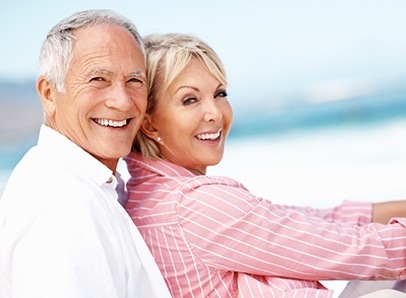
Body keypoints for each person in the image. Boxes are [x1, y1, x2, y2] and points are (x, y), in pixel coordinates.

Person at [124, 33, 406, 298]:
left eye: (220, 94)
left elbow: (302, 223)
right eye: (190, 99)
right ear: (148, 122)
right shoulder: (192, 204)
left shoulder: (152, 198)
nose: (215, 113)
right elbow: (349, 249)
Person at [0, 10, 171, 298]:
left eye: (134, 81)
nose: (122, 101)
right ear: (49, 94)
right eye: (98, 79)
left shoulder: (83, 186)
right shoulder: (61, 205)